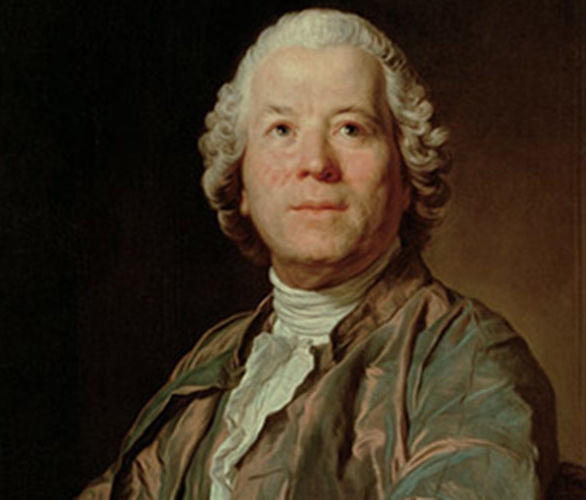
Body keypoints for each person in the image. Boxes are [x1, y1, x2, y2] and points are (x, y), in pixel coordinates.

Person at [78, 8, 558, 499]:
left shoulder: (468, 359)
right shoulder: (215, 355)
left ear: (406, 177)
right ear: (240, 181)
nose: (315, 162)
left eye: (351, 129)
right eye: (282, 130)